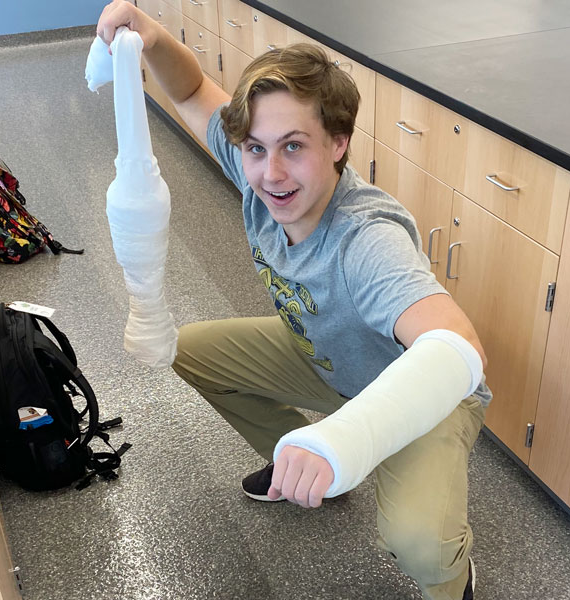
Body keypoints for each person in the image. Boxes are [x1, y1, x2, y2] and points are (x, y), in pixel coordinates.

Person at [97, 3, 493, 598]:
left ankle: (453, 578)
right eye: (255, 148)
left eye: (293, 147)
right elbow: (194, 89)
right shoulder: (260, 171)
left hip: (420, 393)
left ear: (338, 143)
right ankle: (300, 462)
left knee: (418, 543)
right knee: (189, 351)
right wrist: (151, 37)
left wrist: (347, 438)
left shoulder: (366, 238)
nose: (271, 174)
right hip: (328, 355)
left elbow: (457, 349)